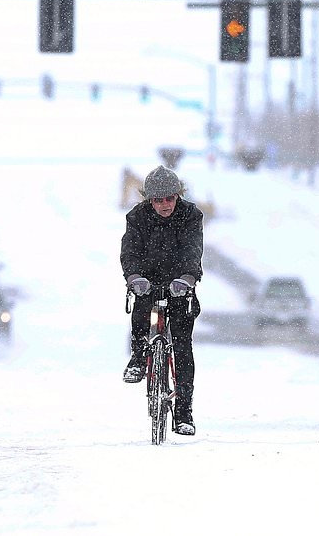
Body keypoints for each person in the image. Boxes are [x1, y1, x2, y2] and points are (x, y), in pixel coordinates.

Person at [120, 166, 204, 436]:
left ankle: (183, 413)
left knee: (182, 348)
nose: (165, 205)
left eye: (170, 198)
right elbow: (129, 250)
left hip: (181, 281)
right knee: (142, 313)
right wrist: (134, 277)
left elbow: (194, 249)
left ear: (178, 195)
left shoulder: (191, 215)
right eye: (158, 200)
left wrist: (188, 278)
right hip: (148, 279)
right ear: (149, 200)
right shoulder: (137, 217)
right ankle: (137, 359)